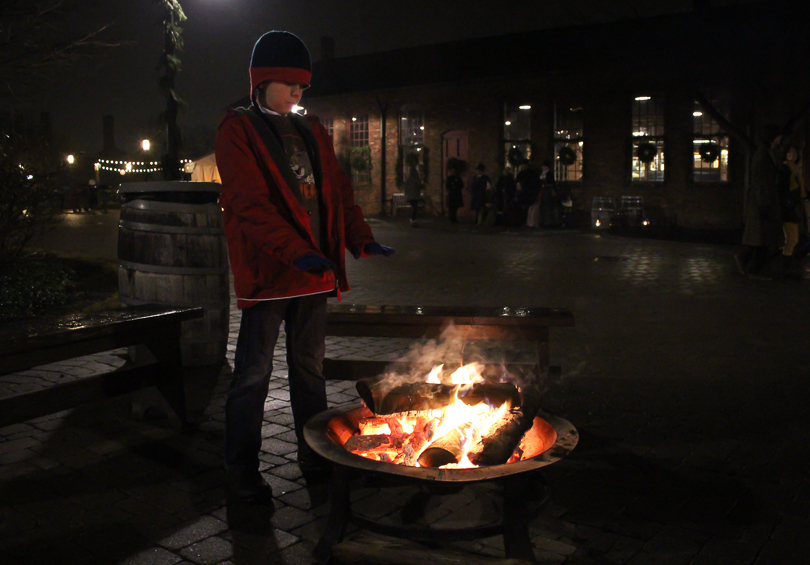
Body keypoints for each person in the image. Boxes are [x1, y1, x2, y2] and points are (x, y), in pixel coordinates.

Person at [215, 30, 395, 504]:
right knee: (252, 375)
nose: (297, 92)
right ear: (260, 82)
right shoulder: (238, 130)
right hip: (270, 276)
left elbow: (338, 193)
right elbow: (249, 206)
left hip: (313, 275)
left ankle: (315, 460)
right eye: (288, 83)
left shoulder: (311, 130)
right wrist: (296, 251)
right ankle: (241, 472)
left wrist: (360, 238)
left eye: (302, 85)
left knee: (309, 371)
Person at [735, 126, 784, 279]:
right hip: (762, 200)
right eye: (778, 137)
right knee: (761, 236)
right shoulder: (763, 155)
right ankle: (753, 268)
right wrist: (763, 203)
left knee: (761, 236)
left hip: (764, 199)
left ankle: (748, 262)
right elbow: (761, 181)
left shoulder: (767, 153)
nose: (780, 139)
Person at [777, 146, 805, 279]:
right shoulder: (785, 169)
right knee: (791, 238)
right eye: (789, 152)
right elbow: (783, 188)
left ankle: (788, 267)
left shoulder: (795, 169)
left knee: (793, 239)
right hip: (788, 207)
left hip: (794, 206)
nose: (792, 155)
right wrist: (788, 201)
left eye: (794, 152)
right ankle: (785, 269)